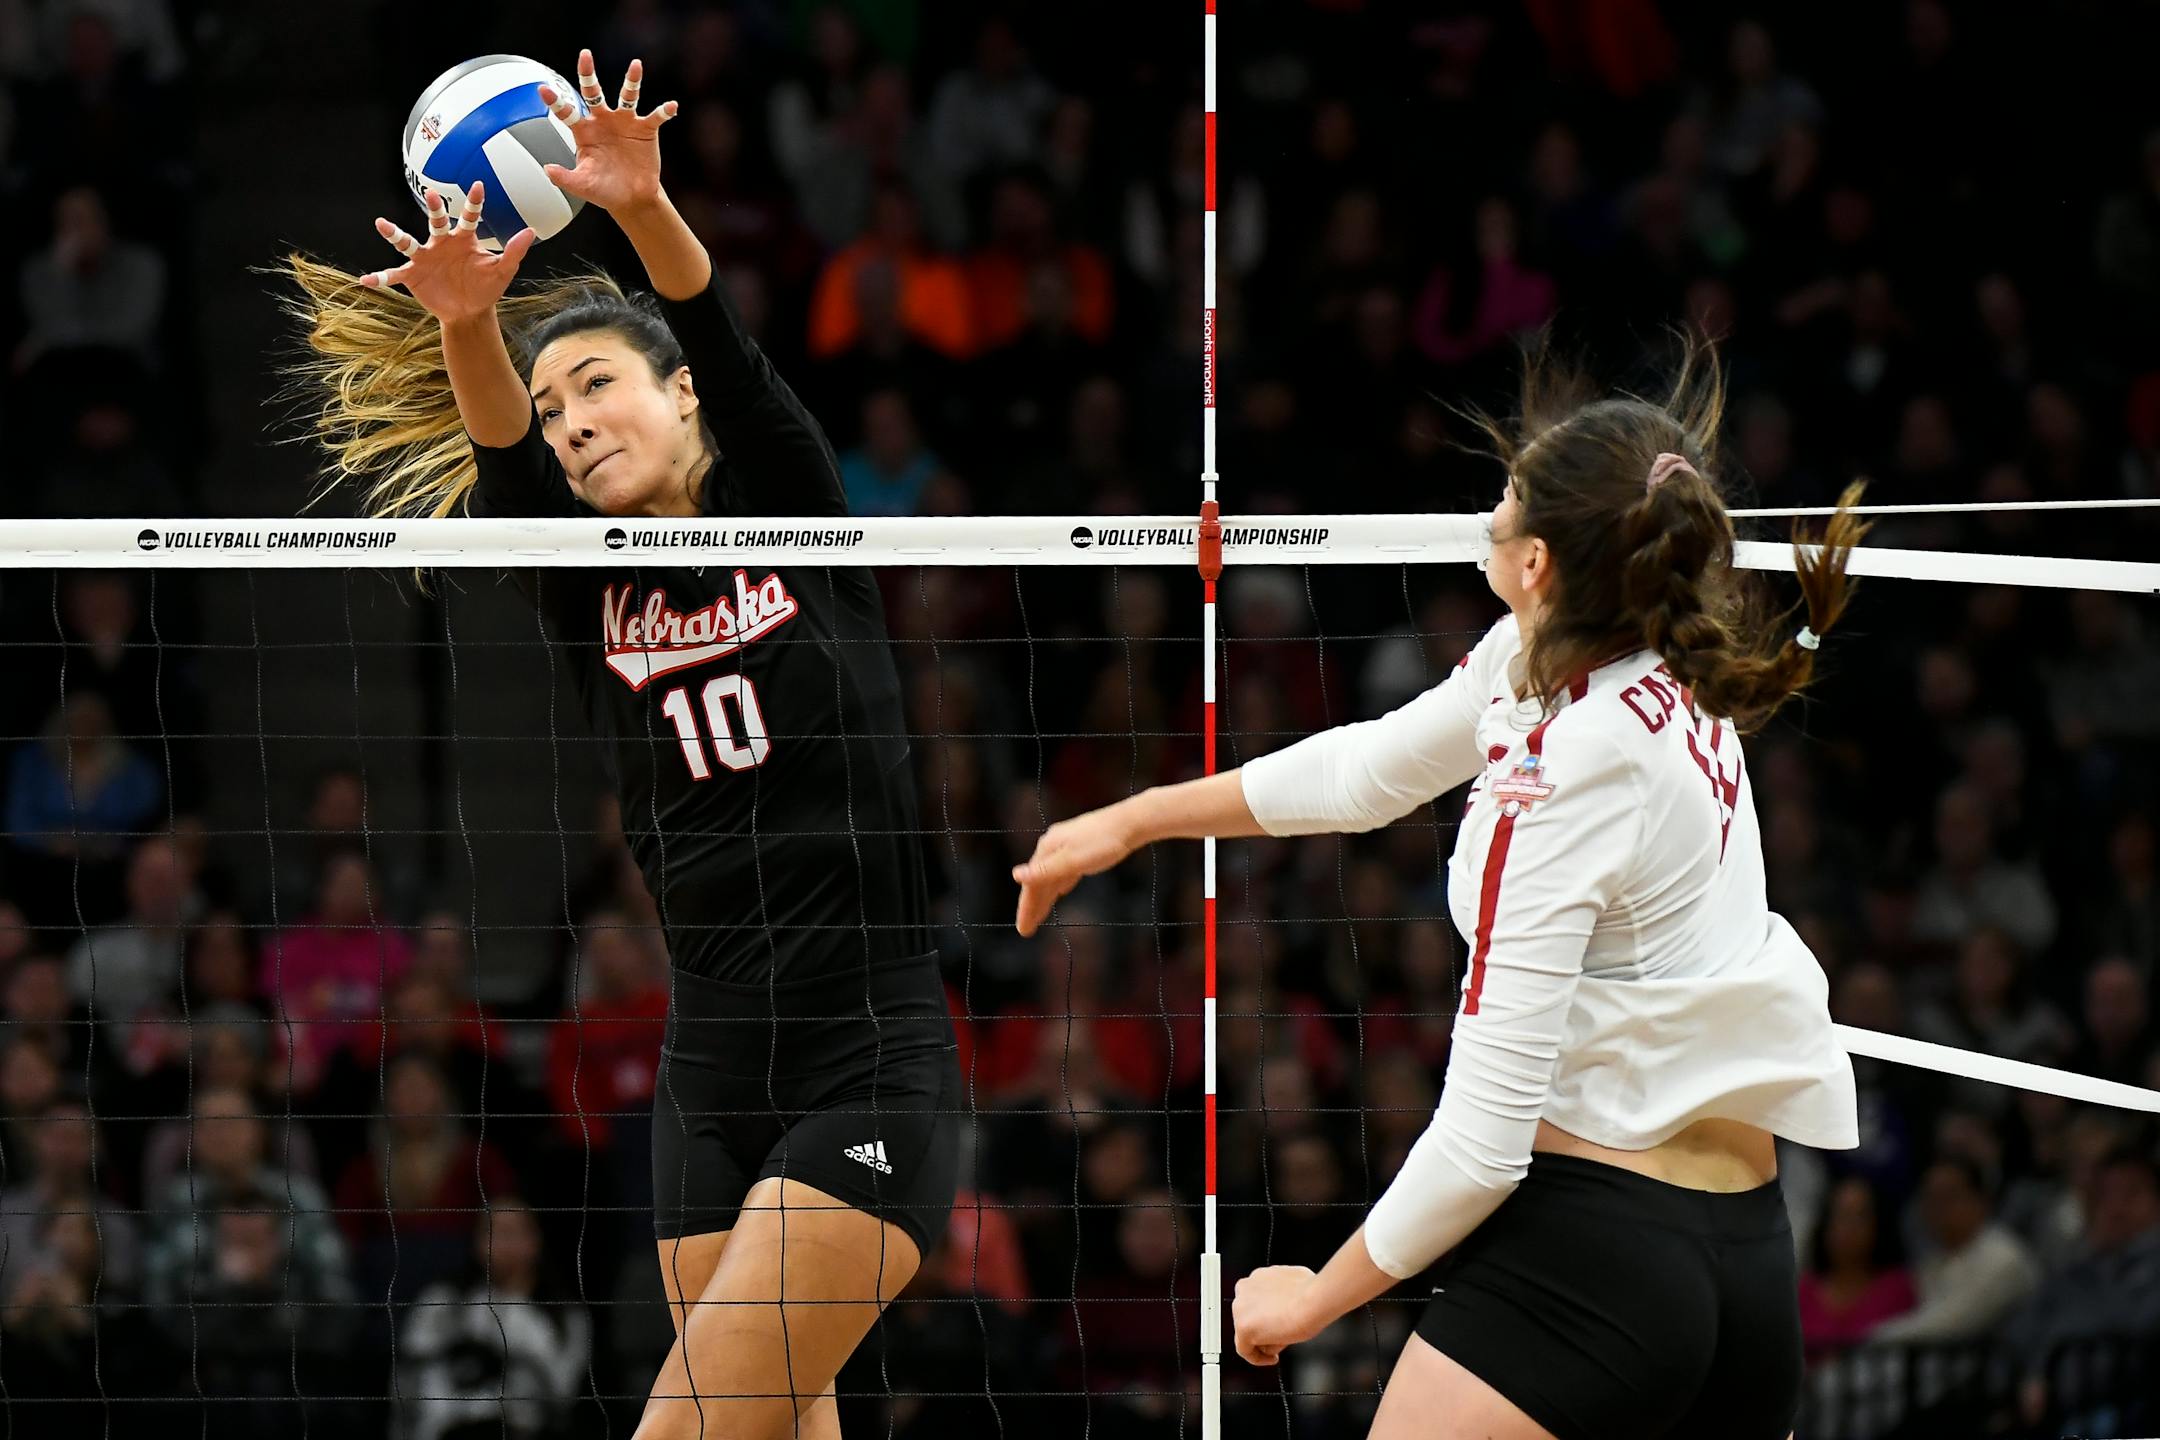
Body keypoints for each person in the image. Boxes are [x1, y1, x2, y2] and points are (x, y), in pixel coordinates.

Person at [279, 51, 959, 1440]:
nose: (577, 424)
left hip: (865, 1048)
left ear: (681, 398)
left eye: (598, 386)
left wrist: (642, 207)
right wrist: (471, 323)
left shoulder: (792, 511)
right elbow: (505, 466)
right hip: (707, 1072)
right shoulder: (584, 586)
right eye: (559, 408)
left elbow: (722, 334)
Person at [1014, 343, 1866, 1440]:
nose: (1490, 511)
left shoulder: (1564, 771)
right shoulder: (1617, 663)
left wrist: (1313, 1299)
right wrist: (1131, 820)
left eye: (1509, 494)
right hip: (1747, 1262)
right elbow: (1366, 773)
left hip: (1596, 1265)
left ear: (1542, 561)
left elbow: (1481, 1143)